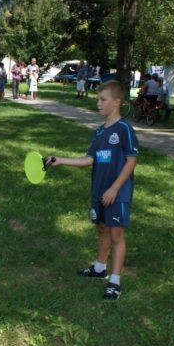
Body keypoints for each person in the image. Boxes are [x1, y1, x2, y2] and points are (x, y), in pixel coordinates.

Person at [46, 80, 138, 301]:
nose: (98, 104)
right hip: (99, 190)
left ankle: (114, 282)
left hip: (117, 192)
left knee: (116, 234)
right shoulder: (99, 132)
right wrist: (60, 160)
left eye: (102, 100)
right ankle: (99, 268)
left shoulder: (124, 129)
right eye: (98, 99)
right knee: (102, 229)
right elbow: (89, 159)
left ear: (116, 102)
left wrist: (115, 189)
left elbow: (131, 161)